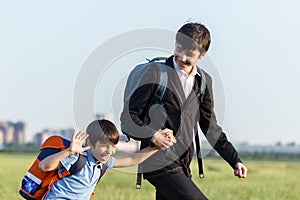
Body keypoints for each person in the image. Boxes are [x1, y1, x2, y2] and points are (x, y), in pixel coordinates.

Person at [120, 22, 247, 200]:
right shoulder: (156, 73)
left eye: (190, 54)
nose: (181, 57)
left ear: (202, 55)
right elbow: (128, 118)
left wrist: (235, 160)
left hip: (184, 162)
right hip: (156, 160)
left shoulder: (203, 82)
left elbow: (210, 128)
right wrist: (152, 135)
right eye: (179, 49)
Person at [39, 119, 176, 200]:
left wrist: (157, 147)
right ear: (90, 144)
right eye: (104, 146)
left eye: (113, 146)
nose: (109, 151)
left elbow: (131, 160)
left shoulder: (103, 162)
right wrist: (69, 151)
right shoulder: (78, 158)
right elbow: (44, 166)